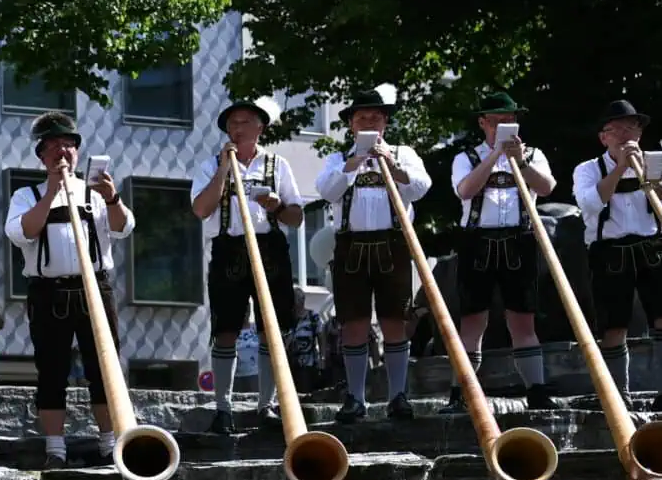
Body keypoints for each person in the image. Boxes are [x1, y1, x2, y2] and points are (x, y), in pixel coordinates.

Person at [7, 111, 135, 464]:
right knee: (51, 369)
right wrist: (50, 194)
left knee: (104, 366)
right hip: (49, 292)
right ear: (41, 156)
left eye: (68, 147)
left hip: (96, 287)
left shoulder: (94, 192)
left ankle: (111, 443)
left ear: (78, 154)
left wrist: (112, 198)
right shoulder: (26, 195)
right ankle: (55, 449)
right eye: (54, 149)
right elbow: (22, 232)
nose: (62, 154)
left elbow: (124, 228)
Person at [313, 87, 432, 421]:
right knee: (354, 322)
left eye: (375, 117)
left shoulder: (402, 153)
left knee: (395, 319)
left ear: (385, 124)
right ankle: (355, 398)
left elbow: (421, 188)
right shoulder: (338, 159)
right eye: (361, 117)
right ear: (351, 124)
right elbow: (326, 191)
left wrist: (389, 163)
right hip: (351, 246)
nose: (368, 122)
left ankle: (398, 395)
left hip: (393, 243)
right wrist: (353, 164)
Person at [191, 95, 306, 428]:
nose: (236, 129)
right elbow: (200, 210)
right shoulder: (211, 164)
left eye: (243, 122)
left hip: (270, 247)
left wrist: (275, 205)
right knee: (226, 327)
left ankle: (266, 405)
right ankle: (222, 408)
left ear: (260, 128)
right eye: (231, 124)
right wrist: (225, 170)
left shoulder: (277, 165)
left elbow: (297, 217)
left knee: (273, 326)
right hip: (229, 248)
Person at [571, 99, 662, 406]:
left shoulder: (659, 161)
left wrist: (655, 183)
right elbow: (589, 203)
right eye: (619, 129)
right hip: (609, 251)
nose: (627, 135)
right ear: (604, 137)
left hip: (653, 246)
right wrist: (621, 167)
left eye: (632, 127)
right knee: (613, 324)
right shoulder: (587, 169)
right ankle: (617, 395)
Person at [449, 91, 560, 410]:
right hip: (477, 241)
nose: (505, 127)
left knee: (523, 321)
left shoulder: (532, 155)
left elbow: (547, 188)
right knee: (472, 321)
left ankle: (536, 390)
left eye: (510, 121)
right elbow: (466, 190)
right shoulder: (466, 157)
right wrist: (494, 155)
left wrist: (518, 160)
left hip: (520, 240)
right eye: (497, 121)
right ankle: (463, 392)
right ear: (483, 123)